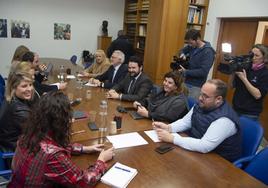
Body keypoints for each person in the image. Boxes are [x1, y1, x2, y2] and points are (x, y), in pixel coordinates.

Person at [8, 91, 114, 187]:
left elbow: (53, 145)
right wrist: (101, 161)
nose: (71, 120)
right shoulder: (53, 155)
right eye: (68, 116)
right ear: (59, 120)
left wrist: (84, 149)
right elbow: (84, 181)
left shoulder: (32, 132)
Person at [153, 79, 242, 162]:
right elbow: (185, 122)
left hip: (220, 161)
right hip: (199, 151)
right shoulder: (202, 104)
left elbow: (204, 146)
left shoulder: (224, 120)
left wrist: (173, 139)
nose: (200, 98)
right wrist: (169, 127)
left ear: (218, 99)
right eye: (201, 93)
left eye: (205, 96)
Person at [230, 44, 268, 120]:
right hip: (235, 108)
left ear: (265, 58)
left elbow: (257, 95)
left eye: (257, 55)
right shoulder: (245, 67)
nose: (253, 58)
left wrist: (244, 79)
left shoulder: (265, 73)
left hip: (250, 113)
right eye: (251, 54)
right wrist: (233, 70)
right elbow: (231, 86)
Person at [0, 71, 34, 152]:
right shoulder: (19, 111)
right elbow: (37, 134)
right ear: (13, 87)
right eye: (24, 86)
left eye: (30, 85)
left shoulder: (10, 99)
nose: (29, 89)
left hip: (9, 145)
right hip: (16, 154)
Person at [178, 29, 216, 100]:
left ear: (198, 39)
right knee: (180, 103)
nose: (189, 45)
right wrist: (182, 54)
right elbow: (181, 50)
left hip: (196, 86)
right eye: (188, 43)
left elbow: (203, 72)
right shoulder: (192, 46)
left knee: (190, 106)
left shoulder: (208, 52)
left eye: (191, 43)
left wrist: (186, 72)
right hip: (184, 81)